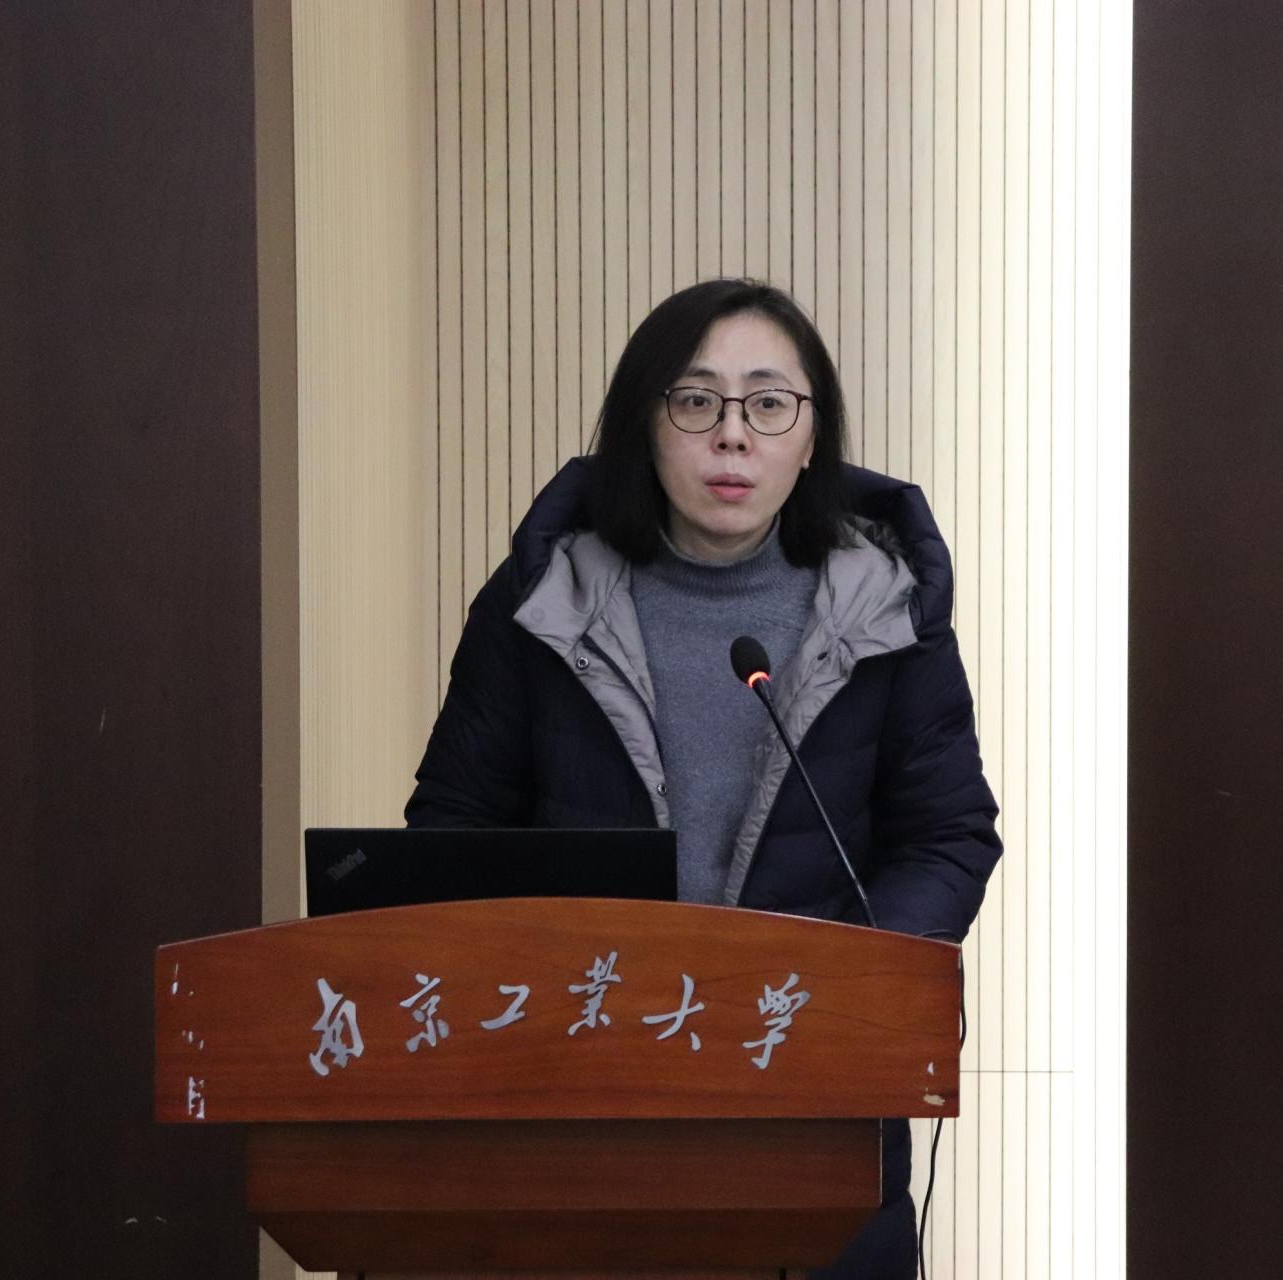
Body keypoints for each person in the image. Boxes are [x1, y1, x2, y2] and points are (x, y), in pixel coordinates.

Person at [405, 277, 1002, 1278]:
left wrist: (839, 986)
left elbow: (948, 835)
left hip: (812, 1093)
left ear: (812, 438)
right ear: (644, 424)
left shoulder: (885, 611)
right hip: (583, 1098)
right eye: (696, 401)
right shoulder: (542, 601)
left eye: (769, 403)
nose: (733, 434)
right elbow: (452, 827)